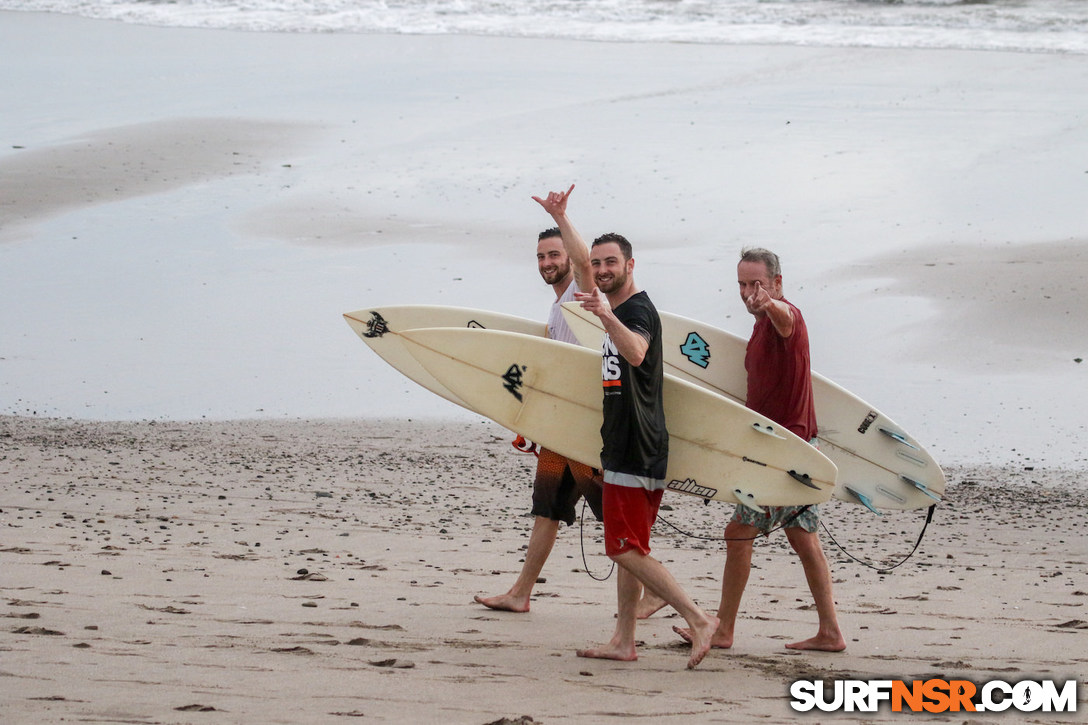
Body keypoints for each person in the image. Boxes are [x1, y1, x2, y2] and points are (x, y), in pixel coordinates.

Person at [533, 184, 718, 669]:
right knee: (629, 547)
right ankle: (624, 640)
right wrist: (563, 218)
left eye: (610, 263)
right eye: (597, 264)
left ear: (630, 265)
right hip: (625, 443)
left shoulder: (636, 310)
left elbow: (635, 352)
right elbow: (578, 262)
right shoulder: (609, 302)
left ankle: (699, 618)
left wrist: (606, 316)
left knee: (621, 549)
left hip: (636, 446)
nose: (601, 270)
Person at [670, 247, 846, 652]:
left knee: (738, 533)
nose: (748, 293)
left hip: (784, 456)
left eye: (757, 285)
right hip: (794, 451)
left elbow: (787, 320)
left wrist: (771, 305)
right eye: (742, 285)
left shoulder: (787, 317)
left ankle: (724, 629)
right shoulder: (759, 327)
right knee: (804, 539)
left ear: (777, 283)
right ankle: (830, 631)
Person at [474, 227, 604, 613]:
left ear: (570, 258)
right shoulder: (556, 308)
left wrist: (560, 216)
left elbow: (585, 264)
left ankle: (660, 593)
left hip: (584, 429)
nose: (547, 263)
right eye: (541, 257)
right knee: (546, 506)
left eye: (554, 255)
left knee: (615, 513)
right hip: (559, 426)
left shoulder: (580, 295)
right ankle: (520, 593)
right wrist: (532, 420)